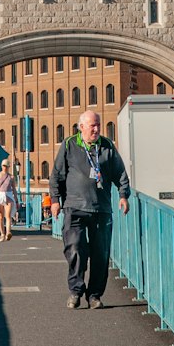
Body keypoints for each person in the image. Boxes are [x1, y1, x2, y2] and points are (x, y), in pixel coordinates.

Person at [50, 110, 130, 310]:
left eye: (98, 125)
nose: (96, 129)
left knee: (101, 254)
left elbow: (120, 172)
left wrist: (123, 195)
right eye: (92, 125)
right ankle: (76, 291)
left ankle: (94, 295)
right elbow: (57, 174)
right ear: (81, 127)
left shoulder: (107, 146)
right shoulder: (69, 145)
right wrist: (54, 200)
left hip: (101, 208)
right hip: (74, 207)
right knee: (75, 248)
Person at [0, 160, 18, 242]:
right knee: (1, 216)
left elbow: (14, 189)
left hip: (8, 195)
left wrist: (16, 200)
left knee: (8, 216)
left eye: (6, 166)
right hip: (0, 196)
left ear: (9, 167)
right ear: (2, 166)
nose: (5, 167)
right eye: (4, 165)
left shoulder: (11, 177)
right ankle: (2, 234)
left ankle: (8, 232)